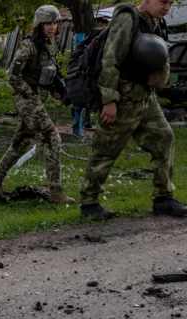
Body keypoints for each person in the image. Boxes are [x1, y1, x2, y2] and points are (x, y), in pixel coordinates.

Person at [79, 0, 187, 219]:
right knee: (106, 149)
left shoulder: (154, 22)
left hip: (146, 98)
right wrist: (109, 100)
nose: (167, 7)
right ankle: (89, 204)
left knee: (164, 138)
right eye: (163, 2)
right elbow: (110, 60)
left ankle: (163, 198)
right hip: (124, 99)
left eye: (171, 3)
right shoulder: (127, 19)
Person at [0, 5, 75, 204]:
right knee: (52, 138)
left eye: (54, 23)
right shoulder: (29, 46)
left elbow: (43, 72)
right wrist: (30, 93)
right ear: (39, 25)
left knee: (22, 142)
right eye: (48, 23)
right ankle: (55, 190)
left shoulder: (47, 44)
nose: (52, 27)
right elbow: (13, 76)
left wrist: (51, 89)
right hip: (27, 100)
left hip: (36, 98)